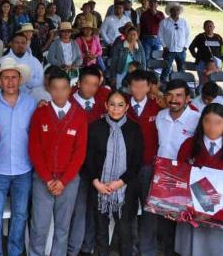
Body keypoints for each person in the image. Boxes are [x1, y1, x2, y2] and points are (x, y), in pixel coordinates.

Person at [175, 104, 223, 255]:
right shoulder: (189, 146)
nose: (212, 127)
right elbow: (179, 175)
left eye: (218, 122)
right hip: (194, 214)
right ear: (201, 123)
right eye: (207, 121)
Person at [28, 69, 88, 256]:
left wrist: (63, 181)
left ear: (70, 89)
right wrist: (47, 179)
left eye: (64, 88)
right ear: (49, 89)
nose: (59, 93)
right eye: (55, 89)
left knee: (63, 228)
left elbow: (79, 153)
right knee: (39, 227)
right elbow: (34, 149)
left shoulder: (79, 115)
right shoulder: (40, 114)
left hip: (68, 181)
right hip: (42, 179)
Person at [0, 58, 37, 256]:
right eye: (6, 78)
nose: (10, 82)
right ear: (0, 80)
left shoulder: (30, 103)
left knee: (20, 215)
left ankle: (15, 252)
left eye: (14, 77)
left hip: (24, 168)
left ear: (20, 79)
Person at [85, 90, 143, 256]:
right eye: (112, 104)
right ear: (106, 106)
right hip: (99, 188)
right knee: (101, 232)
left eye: (120, 105)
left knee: (125, 231)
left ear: (126, 107)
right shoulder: (96, 127)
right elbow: (89, 159)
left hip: (125, 189)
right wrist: (97, 183)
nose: (115, 109)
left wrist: (120, 182)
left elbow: (136, 163)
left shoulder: (134, 129)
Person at [67, 65, 110, 255]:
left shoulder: (103, 101)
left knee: (95, 208)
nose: (91, 89)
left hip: (98, 166)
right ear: (78, 83)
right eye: (87, 84)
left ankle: (87, 247)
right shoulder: (66, 102)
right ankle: (73, 248)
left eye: (95, 85)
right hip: (74, 165)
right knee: (78, 209)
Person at [155, 79, 201, 254]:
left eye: (179, 95)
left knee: (182, 226)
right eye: (170, 95)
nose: (173, 100)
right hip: (162, 177)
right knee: (164, 225)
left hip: (184, 179)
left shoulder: (197, 120)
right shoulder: (161, 116)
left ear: (188, 98)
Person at [126, 70, 163, 256]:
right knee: (128, 210)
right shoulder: (121, 103)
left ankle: (147, 250)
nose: (138, 90)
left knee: (150, 212)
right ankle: (130, 249)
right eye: (134, 85)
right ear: (129, 86)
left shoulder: (158, 107)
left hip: (149, 168)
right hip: (126, 169)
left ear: (149, 87)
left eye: (142, 86)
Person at [158, 3, 190, 82]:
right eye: (174, 10)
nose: (176, 12)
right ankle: (163, 86)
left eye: (177, 10)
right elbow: (160, 36)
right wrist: (165, 46)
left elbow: (188, 35)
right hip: (169, 50)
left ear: (179, 11)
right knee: (166, 69)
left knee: (181, 70)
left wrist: (185, 47)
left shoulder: (184, 22)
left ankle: (181, 85)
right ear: (170, 11)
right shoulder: (164, 22)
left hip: (181, 51)